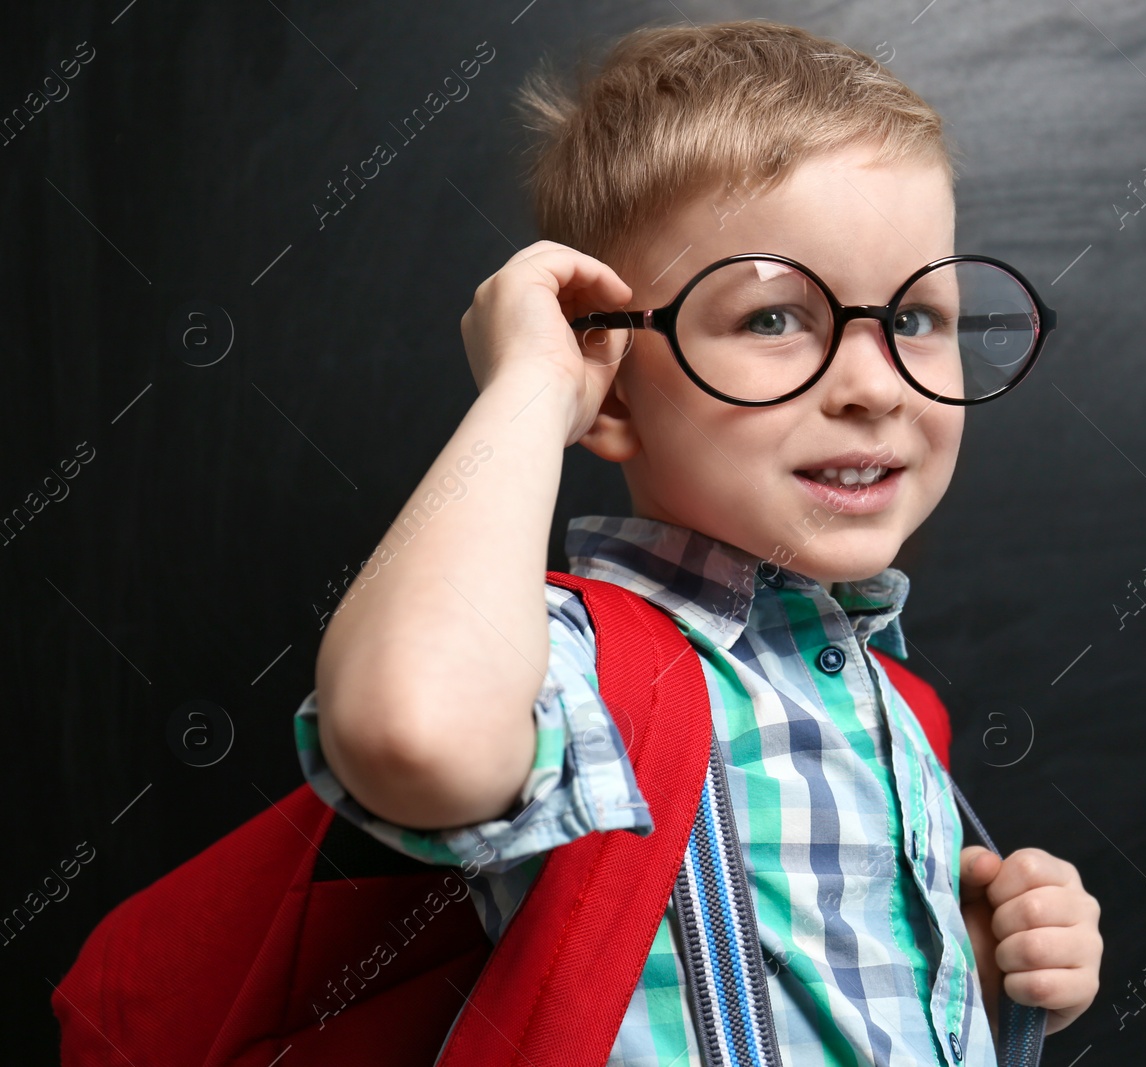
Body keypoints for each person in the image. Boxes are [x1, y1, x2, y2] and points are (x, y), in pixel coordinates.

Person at [294, 18, 1101, 1067]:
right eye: (772, 320)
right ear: (613, 390)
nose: (873, 384)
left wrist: (977, 980)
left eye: (913, 320)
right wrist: (530, 390)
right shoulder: (564, 663)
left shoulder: (897, 709)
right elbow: (415, 733)